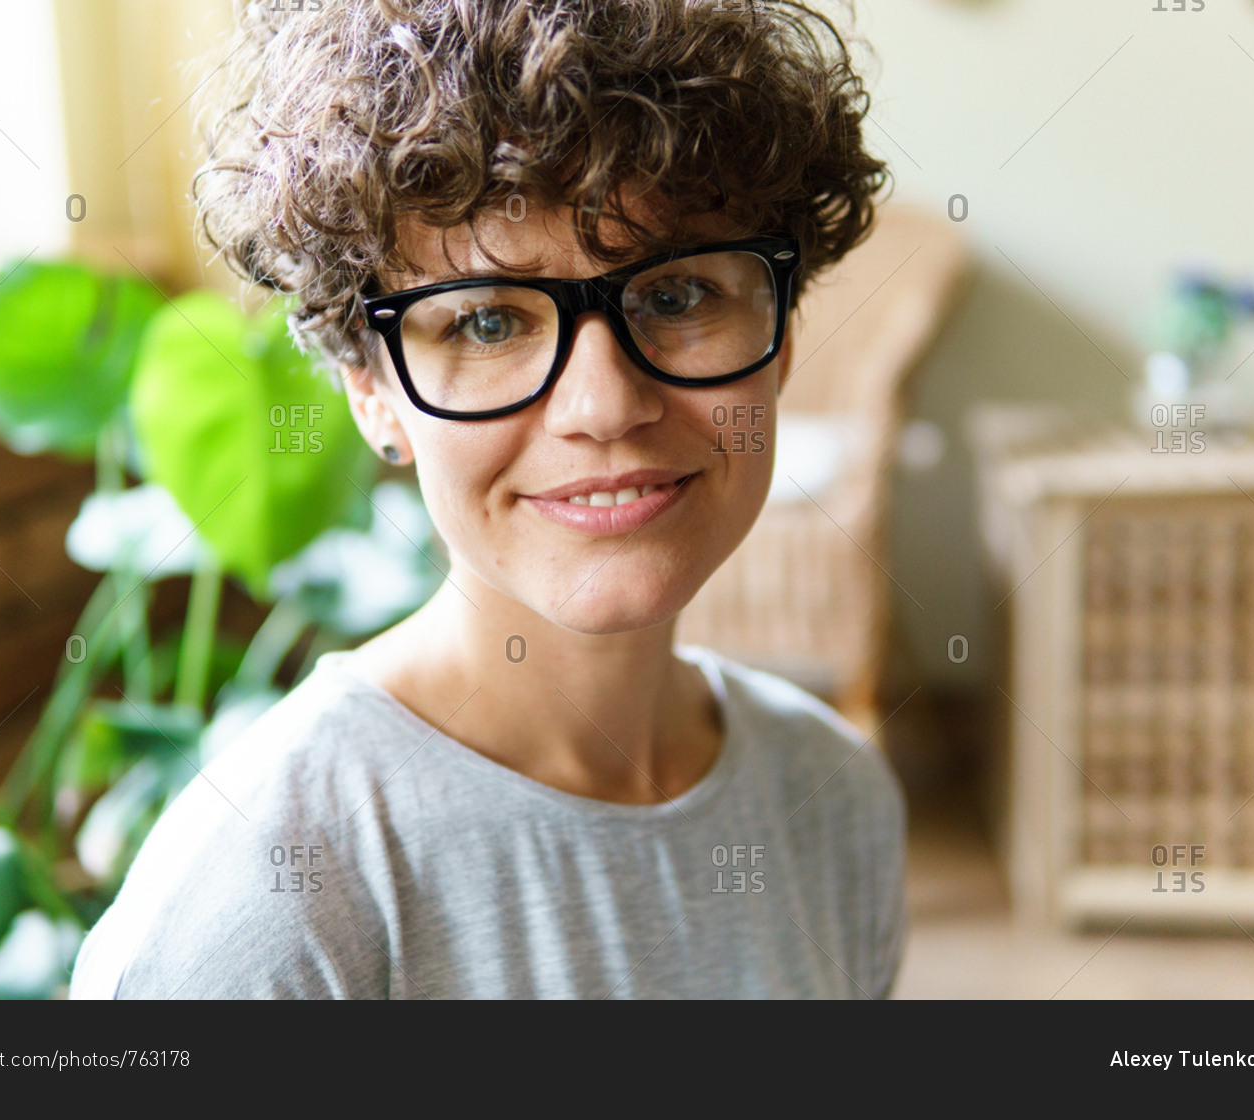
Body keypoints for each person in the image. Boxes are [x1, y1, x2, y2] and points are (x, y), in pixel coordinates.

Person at [71, 0, 904, 999]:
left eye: (676, 296)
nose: (604, 405)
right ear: (370, 390)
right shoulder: (267, 897)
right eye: (485, 323)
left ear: (783, 332)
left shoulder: (835, 800)